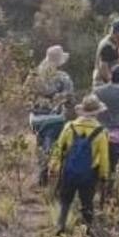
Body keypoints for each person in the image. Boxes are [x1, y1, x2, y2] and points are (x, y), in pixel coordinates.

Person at [51, 95, 111, 235]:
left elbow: (58, 148)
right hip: (89, 174)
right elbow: (104, 157)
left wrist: (53, 166)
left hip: (69, 171)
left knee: (65, 201)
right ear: (96, 112)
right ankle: (87, 232)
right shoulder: (101, 132)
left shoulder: (69, 127)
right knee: (87, 203)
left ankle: (60, 227)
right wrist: (104, 176)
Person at [29, 45, 76, 186]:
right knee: (55, 144)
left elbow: (27, 94)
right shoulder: (63, 77)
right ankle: (54, 174)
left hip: (36, 118)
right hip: (55, 118)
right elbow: (70, 98)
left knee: (41, 142)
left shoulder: (35, 75)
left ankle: (41, 171)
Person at [93, 19, 119, 86]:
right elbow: (103, 67)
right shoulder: (107, 46)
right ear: (117, 32)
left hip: (110, 81)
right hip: (103, 83)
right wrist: (112, 85)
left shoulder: (114, 42)